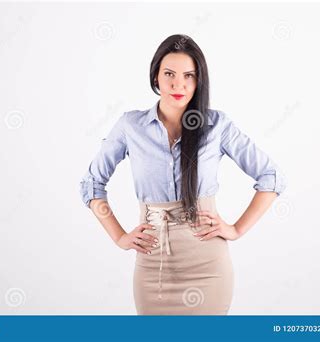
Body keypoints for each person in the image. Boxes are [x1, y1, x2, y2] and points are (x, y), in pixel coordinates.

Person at [79, 34, 287, 315]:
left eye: (189, 75)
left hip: (208, 266)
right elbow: (92, 184)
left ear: (199, 80)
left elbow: (271, 177)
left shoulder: (217, 125)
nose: (179, 84)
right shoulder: (131, 125)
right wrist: (119, 237)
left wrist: (235, 229)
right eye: (169, 74)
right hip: (153, 266)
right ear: (156, 78)